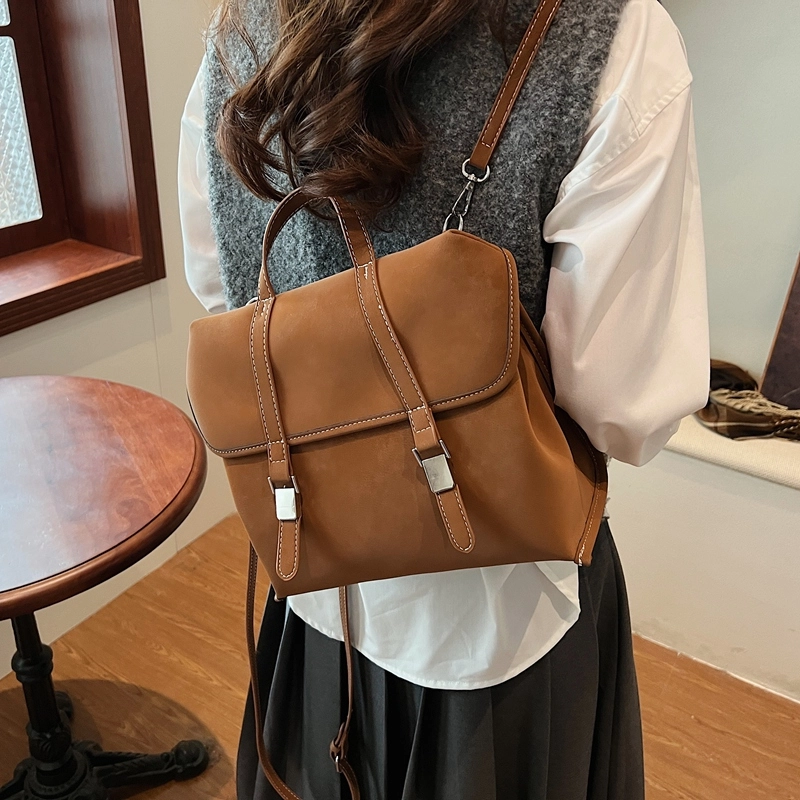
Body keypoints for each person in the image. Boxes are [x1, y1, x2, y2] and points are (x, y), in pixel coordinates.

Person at [178, 0, 709, 797]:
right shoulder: (612, 35)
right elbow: (625, 406)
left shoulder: (242, 29)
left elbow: (221, 285)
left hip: (313, 566)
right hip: (503, 615)